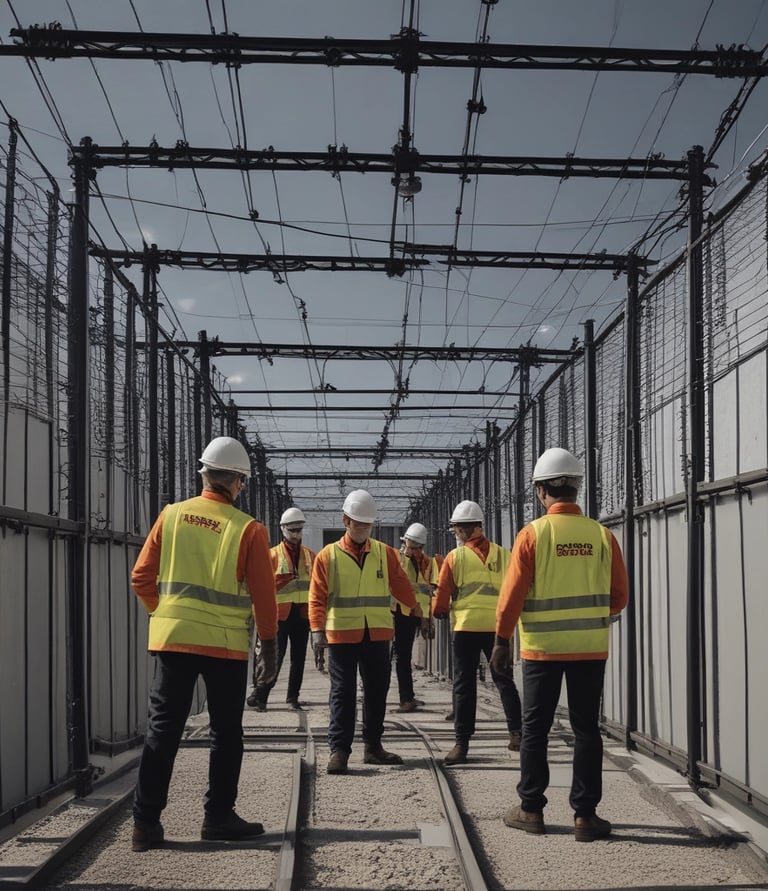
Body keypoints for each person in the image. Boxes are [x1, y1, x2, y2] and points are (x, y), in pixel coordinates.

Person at [130, 436, 278, 852]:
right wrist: (268, 646)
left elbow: (141, 577)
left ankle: (145, 825)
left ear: (204, 475)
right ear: (237, 482)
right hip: (225, 647)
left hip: (173, 641)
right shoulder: (248, 529)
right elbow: (264, 599)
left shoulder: (172, 515)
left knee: (163, 732)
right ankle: (217, 818)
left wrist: (166, 614)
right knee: (226, 733)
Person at [490, 447, 628, 842]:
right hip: (589, 648)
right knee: (586, 729)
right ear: (576, 487)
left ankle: (531, 809)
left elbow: (512, 595)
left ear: (540, 491)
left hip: (542, 651)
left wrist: (502, 641)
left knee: (535, 729)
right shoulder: (602, 535)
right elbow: (619, 596)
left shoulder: (533, 535)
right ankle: (585, 816)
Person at [309, 489, 424, 774]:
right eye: (358, 523)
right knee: (343, 692)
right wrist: (316, 630)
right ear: (345, 521)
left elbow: (400, 585)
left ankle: (373, 747)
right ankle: (339, 751)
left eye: (368, 524)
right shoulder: (328, 556)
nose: (363, 529)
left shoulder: (384, 554)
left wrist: (416, 609)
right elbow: (317, 596)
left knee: (376, 692)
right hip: (342, 636)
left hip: (378, 635)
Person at [432, 500, 522, 764]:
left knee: (464, 685)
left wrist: (438, 610)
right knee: (503, 680)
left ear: (461, 530)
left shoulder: (455, 557)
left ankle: (462, 744)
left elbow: (443, 591)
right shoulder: (503, 554)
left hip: (466, 628)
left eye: (456, 529)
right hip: (497, 630)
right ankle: (517, 733)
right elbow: (515, 586)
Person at [247, 506, 315, 711]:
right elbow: (260, 585)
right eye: (292, 530)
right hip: (279, 614)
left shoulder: (310, 556)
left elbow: (316, 585)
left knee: (299, 658)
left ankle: (292, 697)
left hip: (302, 614)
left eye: (299, 530)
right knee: (274, 656)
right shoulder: (272, 556)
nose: (296, 534)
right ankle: (261, 695)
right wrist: (281, 582)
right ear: (283, 530)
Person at [393, 522, 436, 712]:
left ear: (422, 548)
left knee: (405, 656)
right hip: (398, 613)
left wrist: (426, 619)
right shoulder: (397, 559)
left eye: (414, 548)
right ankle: (404, 699)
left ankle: (408, 696)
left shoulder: (427, 563)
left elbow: (428, 592)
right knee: (400, 656)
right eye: (408, 546)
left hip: (415, 614)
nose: (410, 550)